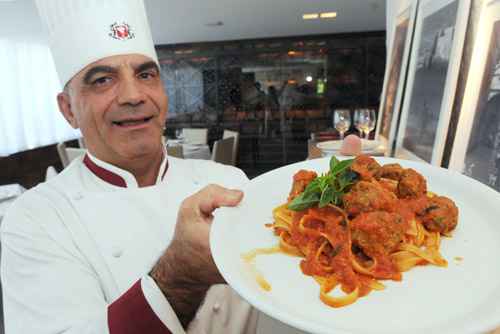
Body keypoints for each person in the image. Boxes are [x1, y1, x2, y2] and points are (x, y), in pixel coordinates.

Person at [0, 1, 258, 333]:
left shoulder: (228, 180)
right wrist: (180, 277)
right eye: (102, 80)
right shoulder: (37, 218)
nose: (134, 95)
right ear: (68, 110)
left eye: (146, 74)